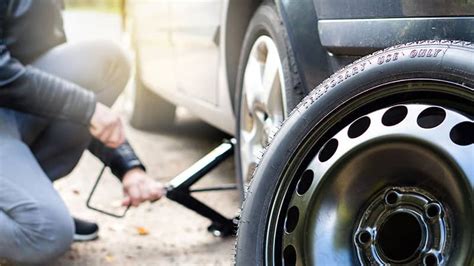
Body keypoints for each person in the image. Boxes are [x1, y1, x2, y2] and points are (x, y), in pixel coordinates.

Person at [0, 0, 166, 264]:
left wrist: (128, 167)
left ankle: (24, 200)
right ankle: (27, 212)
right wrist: (86, 109)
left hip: (11, 114)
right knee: (48, 234)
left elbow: (68, 94)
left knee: (105, 61)